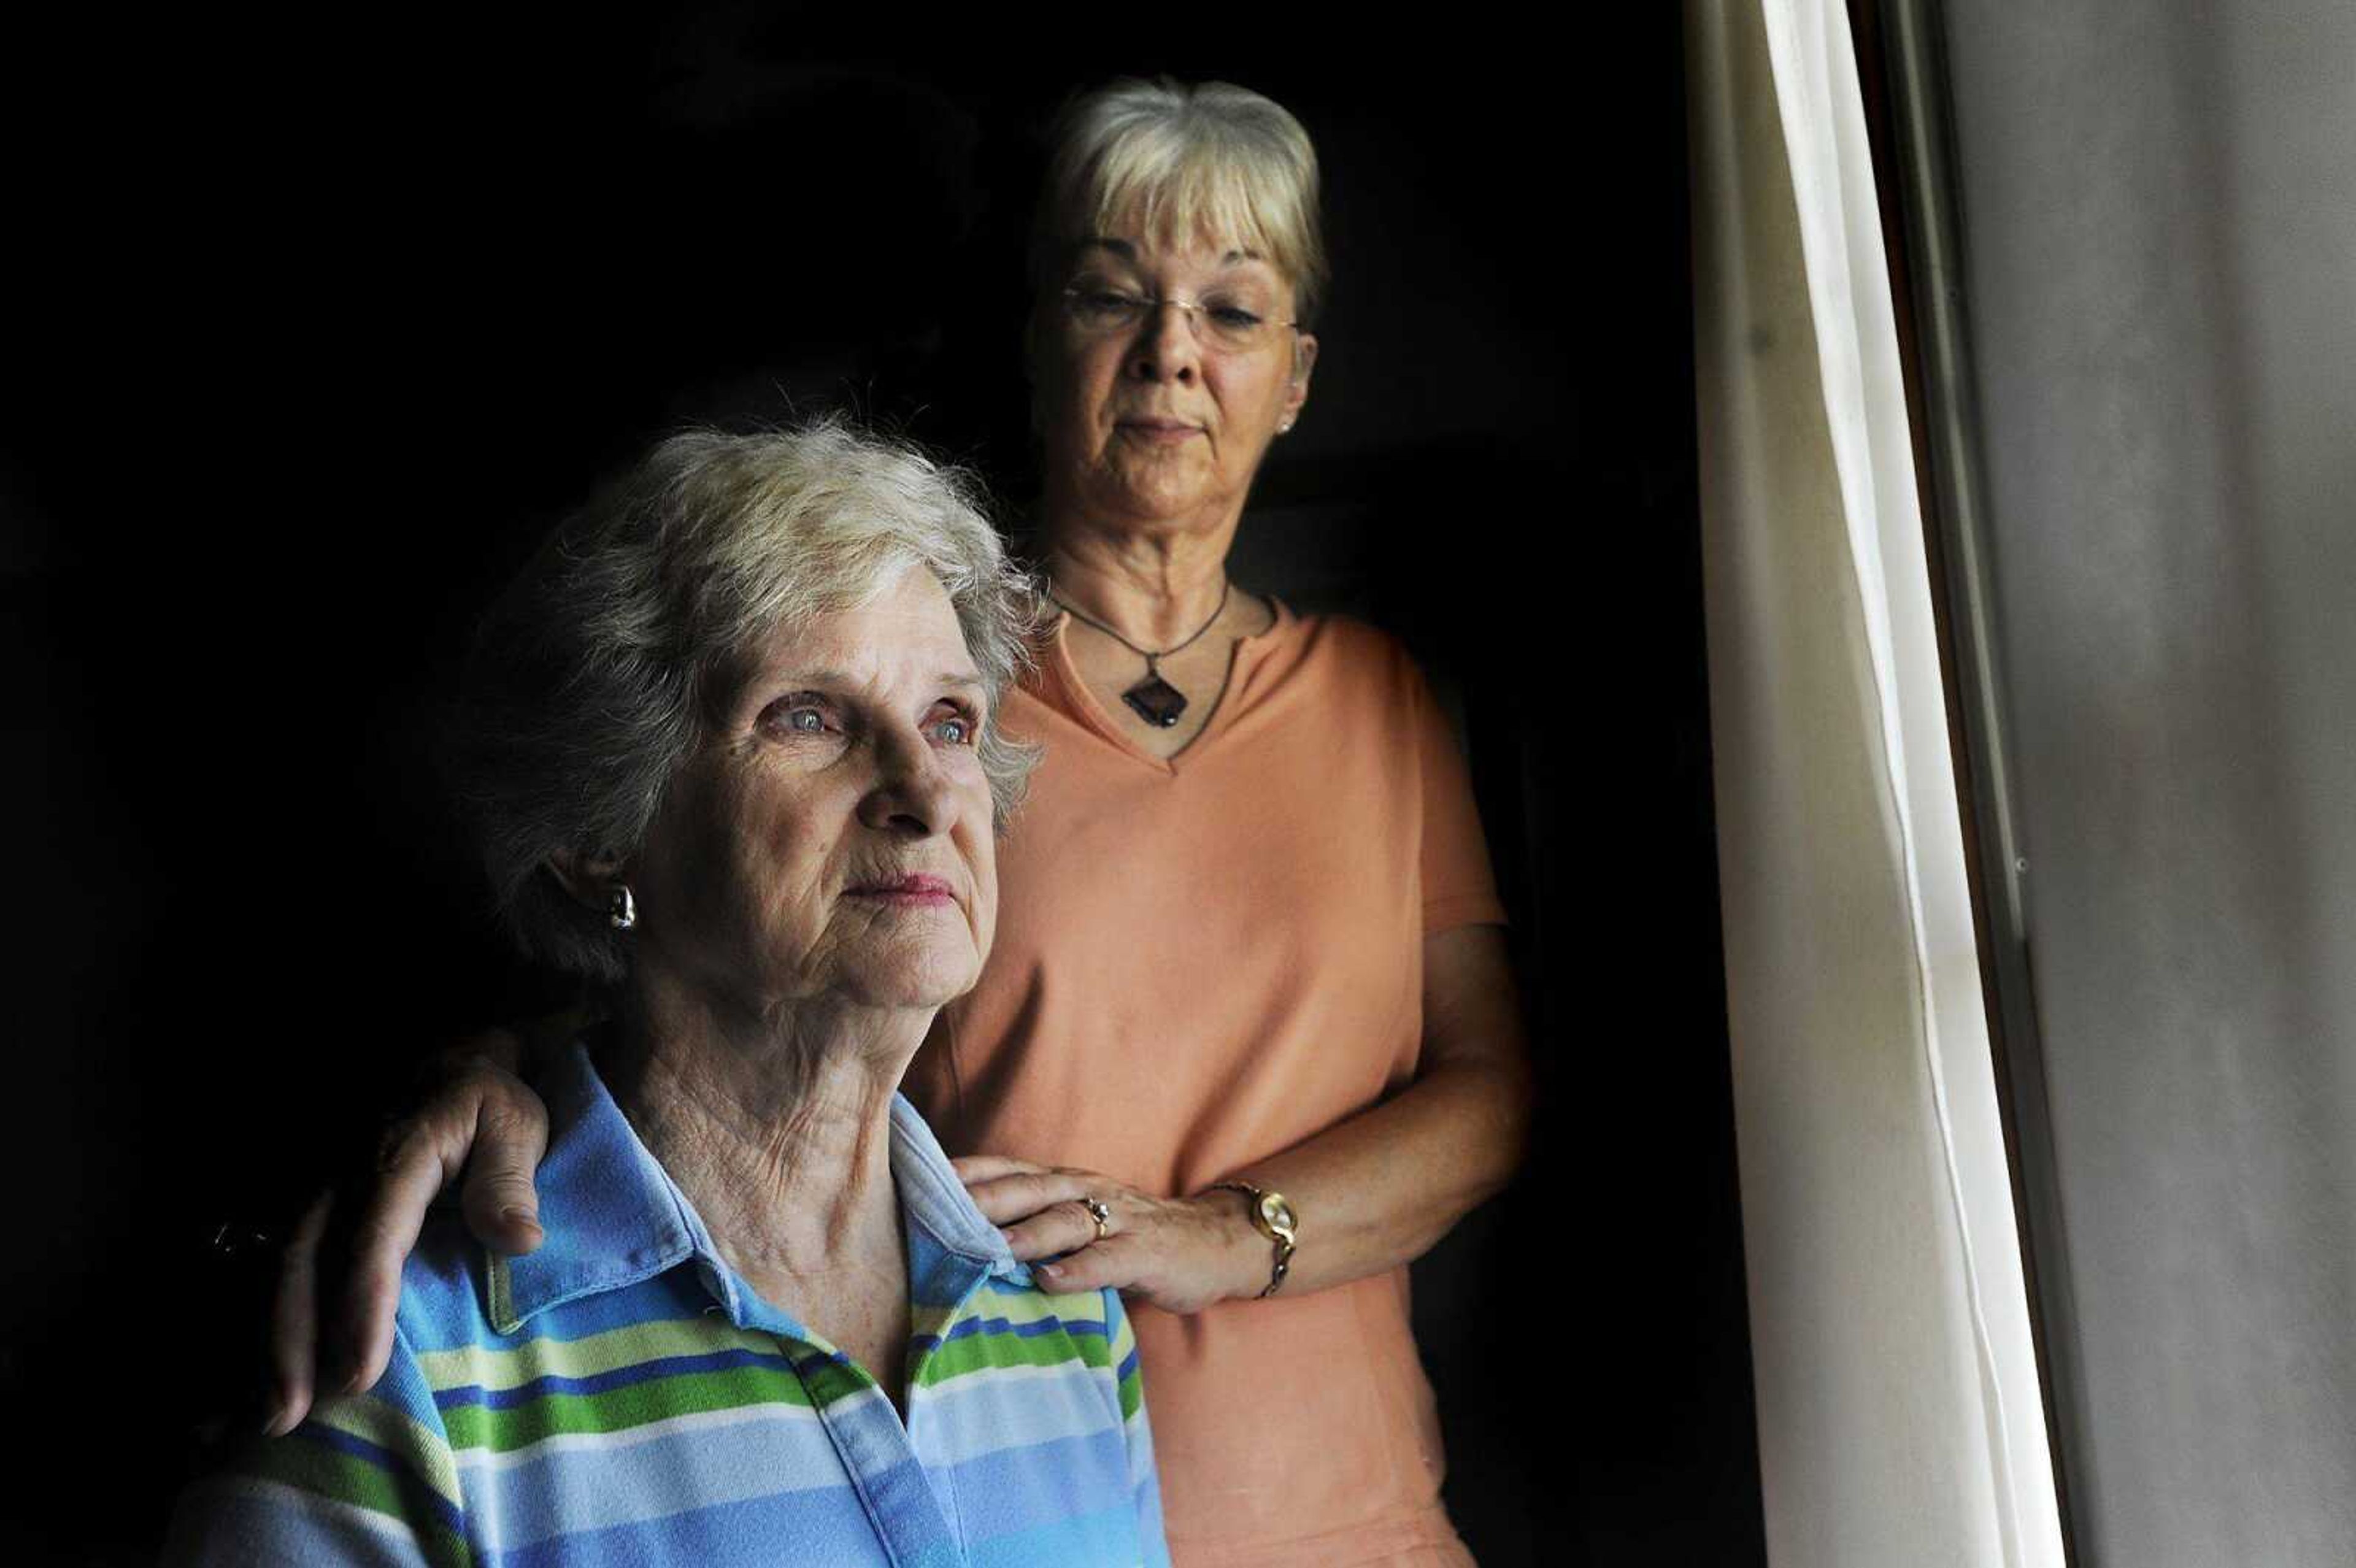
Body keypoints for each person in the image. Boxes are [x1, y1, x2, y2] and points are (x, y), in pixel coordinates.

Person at [269, 79, 1533, 1564]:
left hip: (1272, 1486)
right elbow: (696, 986)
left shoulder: (1377, 704)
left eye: (1233, 314)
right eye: (1112, 295)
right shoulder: (916, 673)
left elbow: (1488, 1086)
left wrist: (1226, 1234)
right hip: (935, 1459)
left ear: (1299, 375)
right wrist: (496, 1076)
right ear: (1040, 334)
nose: (1173, 354)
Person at [174, 423, 1169, 1566]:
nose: (926, 791)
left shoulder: (1066, 1313)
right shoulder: (400, 1361)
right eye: (810, 716)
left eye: (950, 721)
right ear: (605, 835)